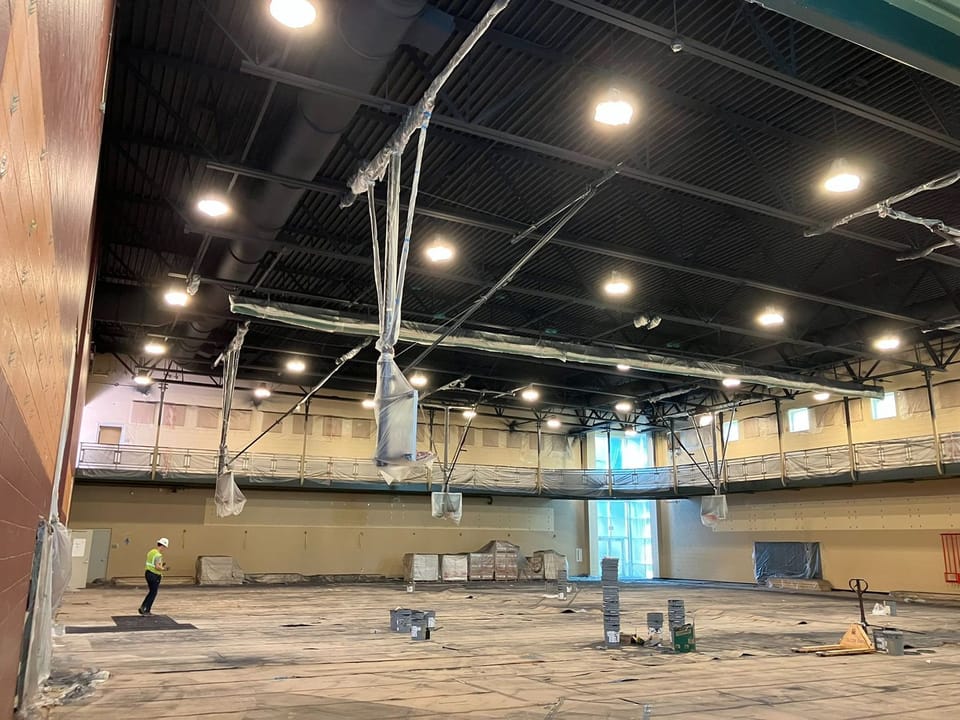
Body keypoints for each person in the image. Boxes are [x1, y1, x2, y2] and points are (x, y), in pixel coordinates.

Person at [139, 537, 169, 616]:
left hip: (148, 573)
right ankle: (147, 610)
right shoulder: (158, 555)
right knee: (153, 593)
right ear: (162, 546)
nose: (164, 549)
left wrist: (161, 565)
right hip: (154, 575)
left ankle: (143, 607)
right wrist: (164, 569)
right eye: (165, 547)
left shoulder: (151, 552)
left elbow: (151, 563)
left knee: (151, 592)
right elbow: (157, 567)